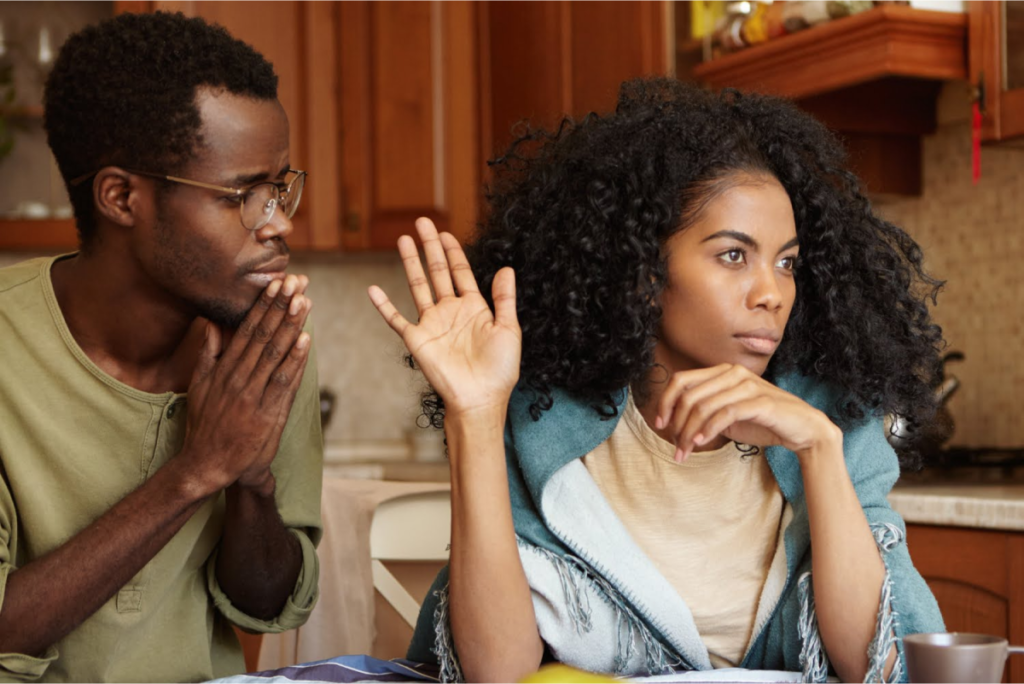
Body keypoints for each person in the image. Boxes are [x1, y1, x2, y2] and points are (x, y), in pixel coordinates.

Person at [368, 78, 946, 684]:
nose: (772, 294)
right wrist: (475, 416)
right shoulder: (545, 422)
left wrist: (819, 448)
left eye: (787, 262)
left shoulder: (835, 414)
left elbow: (884, 666)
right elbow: (496, 673)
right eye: (732, 255)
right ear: (643, 272)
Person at [0, 12, 323, 683]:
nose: (281, 222)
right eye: (244, 194)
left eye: (281, 187)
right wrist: (196, 471)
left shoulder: (262, 346)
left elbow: (265, 605)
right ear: (122, 197)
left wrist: (251, 482)